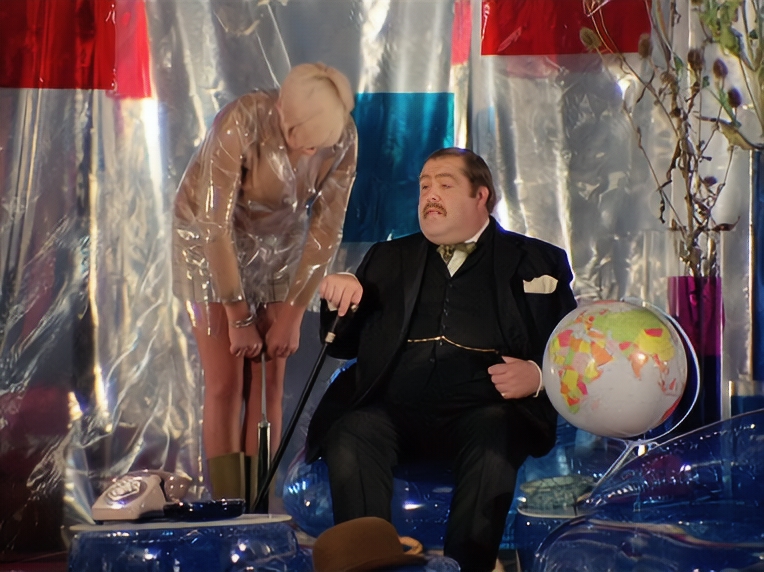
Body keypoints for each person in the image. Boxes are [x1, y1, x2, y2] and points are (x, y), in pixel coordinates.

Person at [305, 148, 576, 571]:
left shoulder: (538, 260)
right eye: (424, 186)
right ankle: (369, 564)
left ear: (480, 195)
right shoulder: (387, 258)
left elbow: (570, 348)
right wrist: (342, 296)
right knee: (352, 431)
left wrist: (539, 375)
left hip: (486, 409)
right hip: (394, 408)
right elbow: (342, 345)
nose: (430, 194)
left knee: (496, 436)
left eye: (445, 185)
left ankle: (464, 566)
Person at [172, 62, 357, 505]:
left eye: (319, 147)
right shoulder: (241, 122)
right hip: (206, 242)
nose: (311, 153)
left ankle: (257, 504)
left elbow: (325, 230)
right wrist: (238, 317)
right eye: (305, 143)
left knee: (269, 378)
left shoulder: (343, 137)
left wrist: (292, 316)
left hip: (279, 243)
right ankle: (228, 506)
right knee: (225, 382)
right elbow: (214, 227)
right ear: (285, 120)